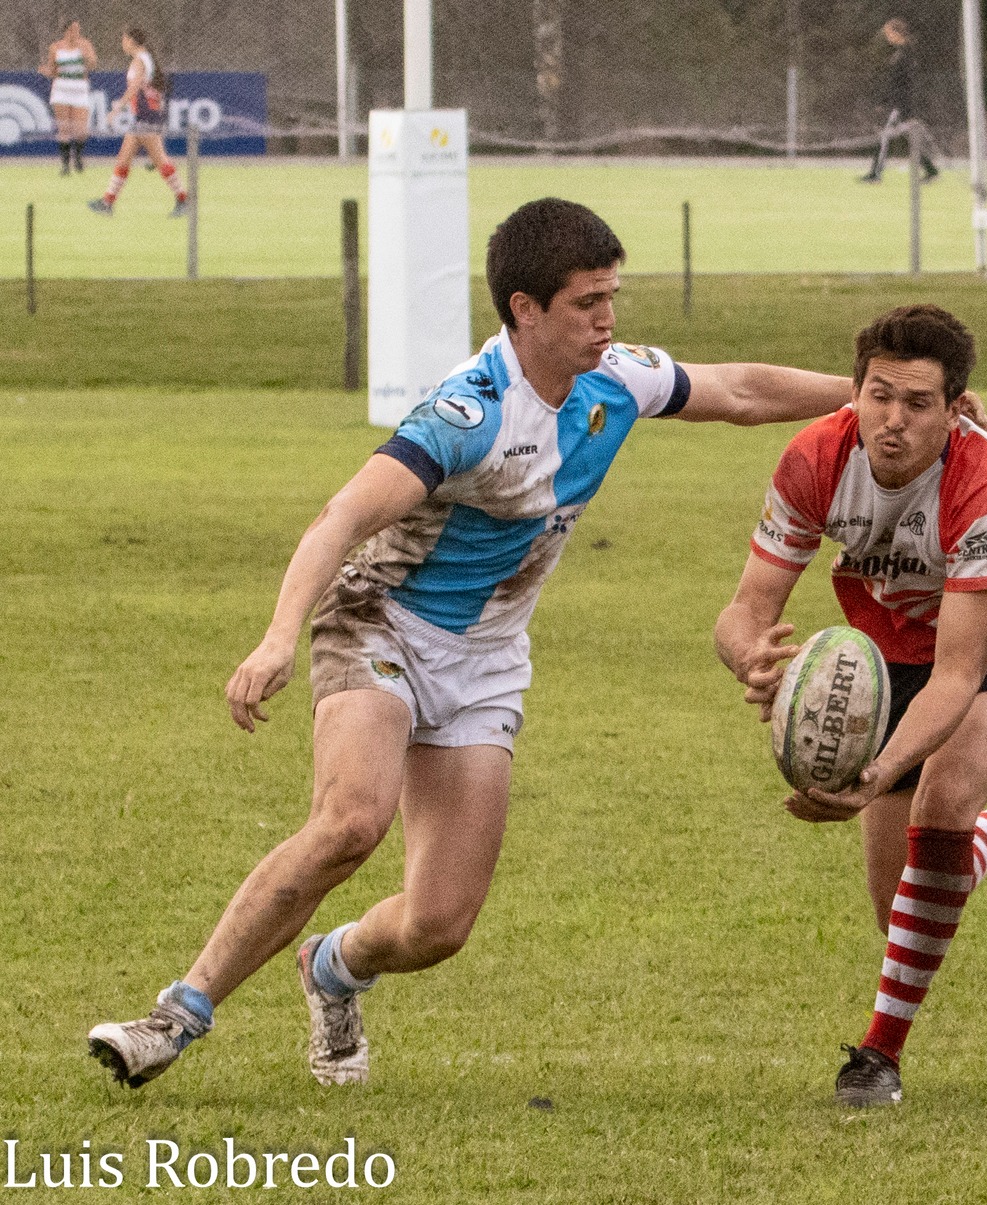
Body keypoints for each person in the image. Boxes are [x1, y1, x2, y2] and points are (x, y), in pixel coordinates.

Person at [86, 198, 864, 1090]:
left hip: (487, 659)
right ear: (524, 309)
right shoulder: (467, 415)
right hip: (381, 624)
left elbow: (739, 391)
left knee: (439, 924)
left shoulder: (617, 377)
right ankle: (174, 1016)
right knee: (351, 821)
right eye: (586, 304)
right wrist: (276, 637)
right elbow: (340, 516)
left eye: (613, 297)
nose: (607, 321)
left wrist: (864, 394)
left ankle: (333, 966)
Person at [714, 304, 987, 1107]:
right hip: (889, 651)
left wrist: (879, 772)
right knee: (902, 902)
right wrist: (749, 658)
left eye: (919, 402)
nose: (892, 421)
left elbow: (960, 677)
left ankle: (876, 1058)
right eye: (879, 395)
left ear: (956, 407)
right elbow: (741, 613)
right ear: (854, 391)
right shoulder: (814, 460)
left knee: (943, 802)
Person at [86, 28, 187, 217]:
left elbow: (135, 87)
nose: (122, 42)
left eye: (124, 39)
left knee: (160, 160)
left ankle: (184, 199)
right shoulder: (144, 58)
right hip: (143, 116)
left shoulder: (139, 60)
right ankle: (107, 202)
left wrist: (116, 109)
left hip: (145, 116)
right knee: (124, 159)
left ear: (131, 41)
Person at [858, 17, 938, 183]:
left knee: (884, 138)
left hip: (901, 106)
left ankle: (875, 174)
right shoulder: (902, 53)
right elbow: (896, 83)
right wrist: (884, 101)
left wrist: (898, 105)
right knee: (911, 138)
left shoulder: (906, 55)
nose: (887, 37)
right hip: (901, 104)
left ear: (896, 33)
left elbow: (906, 83)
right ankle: (931, 171)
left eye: (889, 33)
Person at [39, 20, 98, 177]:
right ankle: (65, 165)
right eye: (72, 30)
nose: (75, 33)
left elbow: (93, 64)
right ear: (66, 31)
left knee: (81, 129)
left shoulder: (85, 45)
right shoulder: (56, 47)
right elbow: (53, 70)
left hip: (79, 89)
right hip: (61, 90)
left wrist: (85, 56)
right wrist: (46, 71)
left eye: (78, 30)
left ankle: (77, 157)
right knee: (64, 128)